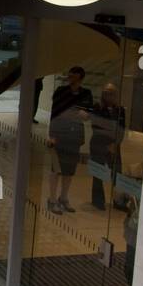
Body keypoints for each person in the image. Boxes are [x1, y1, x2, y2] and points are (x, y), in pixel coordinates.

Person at [47, 67, 94, 214]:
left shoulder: (86, 93)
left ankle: (64, 198)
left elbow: (88, 115)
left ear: (80, 78)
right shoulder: (61, 91)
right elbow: (55, 113)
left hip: (74, 136)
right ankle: (52, 199)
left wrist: (81, 114)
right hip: (60, 133)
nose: (70, 77)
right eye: (69, 75)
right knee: (56, 168)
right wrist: (52, 135)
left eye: (73, 75)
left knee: (69, 170)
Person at [88, 83, 127, 210]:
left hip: (114, 145)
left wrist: (115, 144)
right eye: (107, 93)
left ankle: (119, 201)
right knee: (98, 173)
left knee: (117, 174)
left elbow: (121, 129)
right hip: (98, 144)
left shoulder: (120, 110)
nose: (109, 95)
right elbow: (96, 126)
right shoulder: (97, 108)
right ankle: (98, 201)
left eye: (111, 93)